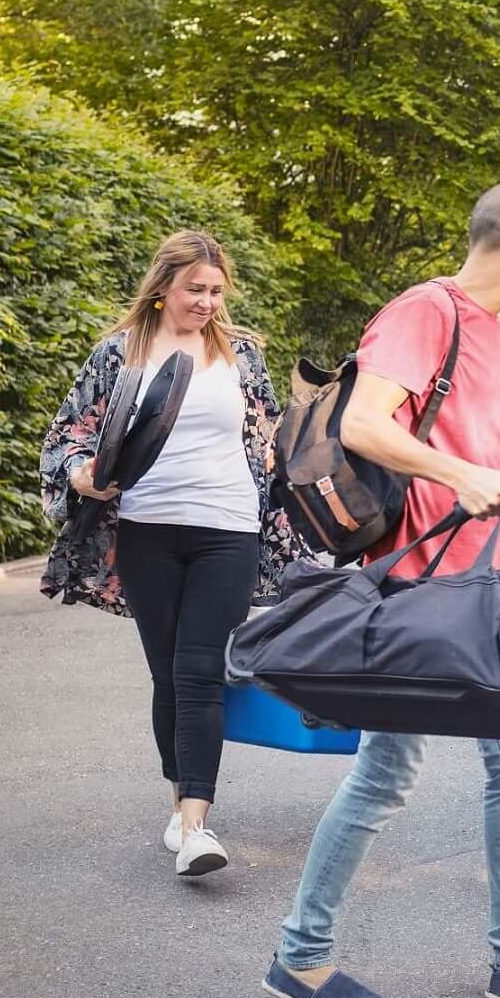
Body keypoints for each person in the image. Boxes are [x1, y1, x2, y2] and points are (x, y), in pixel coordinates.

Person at [265, 182, 500, 998]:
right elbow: (363, 424)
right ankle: (300, 958)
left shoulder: (497, 338)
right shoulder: (427, 312)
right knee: (387, 774)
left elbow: (483, 456)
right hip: (419, 590)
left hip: (486, 583)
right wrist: (460, 479)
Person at [38, 231, 307, 882]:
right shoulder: (117, 354)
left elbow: (271, 429)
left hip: (227, 527)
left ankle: (195, 824)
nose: (208, 302)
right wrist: (80, 475)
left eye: (216, 291)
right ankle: (178, 795)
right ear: (162, 288)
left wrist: (278, 458)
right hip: (147, 530)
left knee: (197, 672)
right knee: (167, 673)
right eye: (196, 289)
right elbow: (67, 434)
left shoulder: (240, 356)